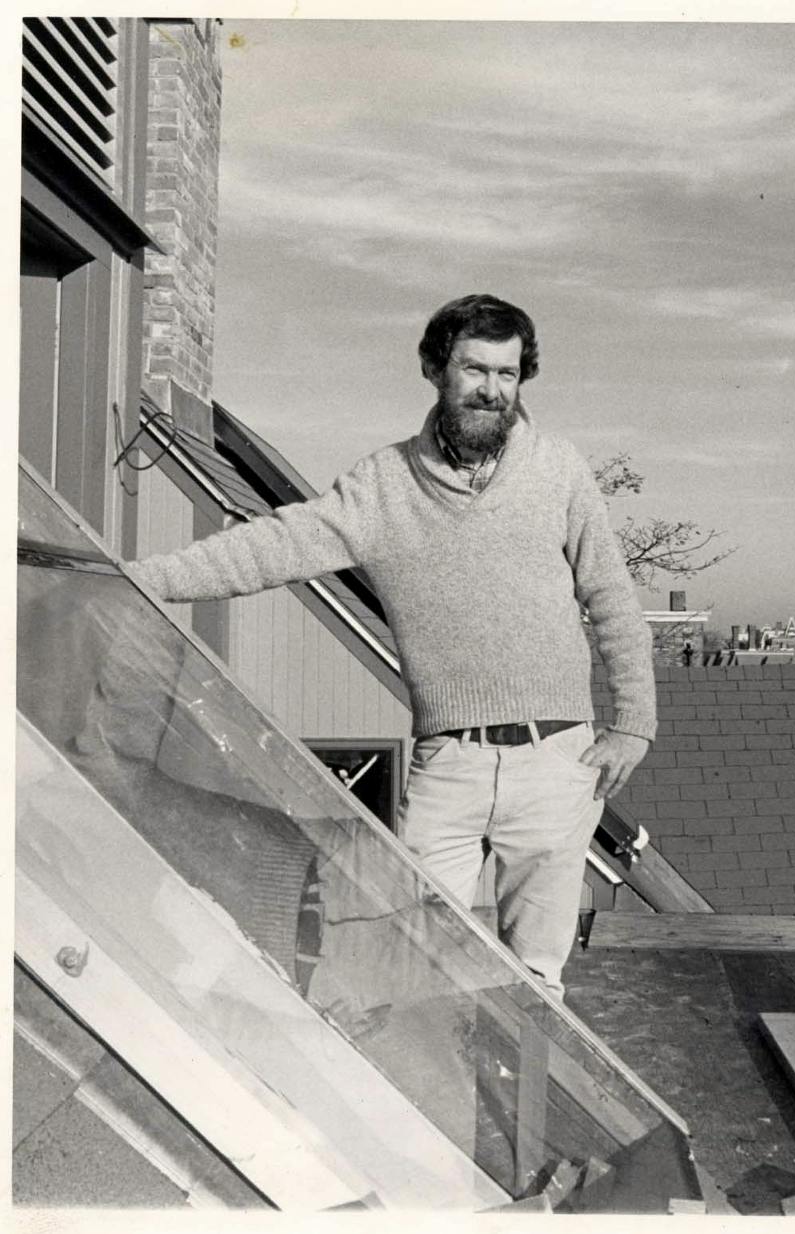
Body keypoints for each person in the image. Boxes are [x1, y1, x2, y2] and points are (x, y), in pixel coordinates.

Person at [130, 293, 655, 999]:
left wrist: (632, 725)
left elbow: (613, 600)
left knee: (535, 980)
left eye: (507, 374)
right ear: (435, 369)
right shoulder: (383, 485)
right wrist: (143, 580)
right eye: (474, 370)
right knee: (405, 960)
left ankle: (516, 1109)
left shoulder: (558, 471)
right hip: (451, 762)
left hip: (558, 760)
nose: (491, 390)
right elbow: (272, 546)